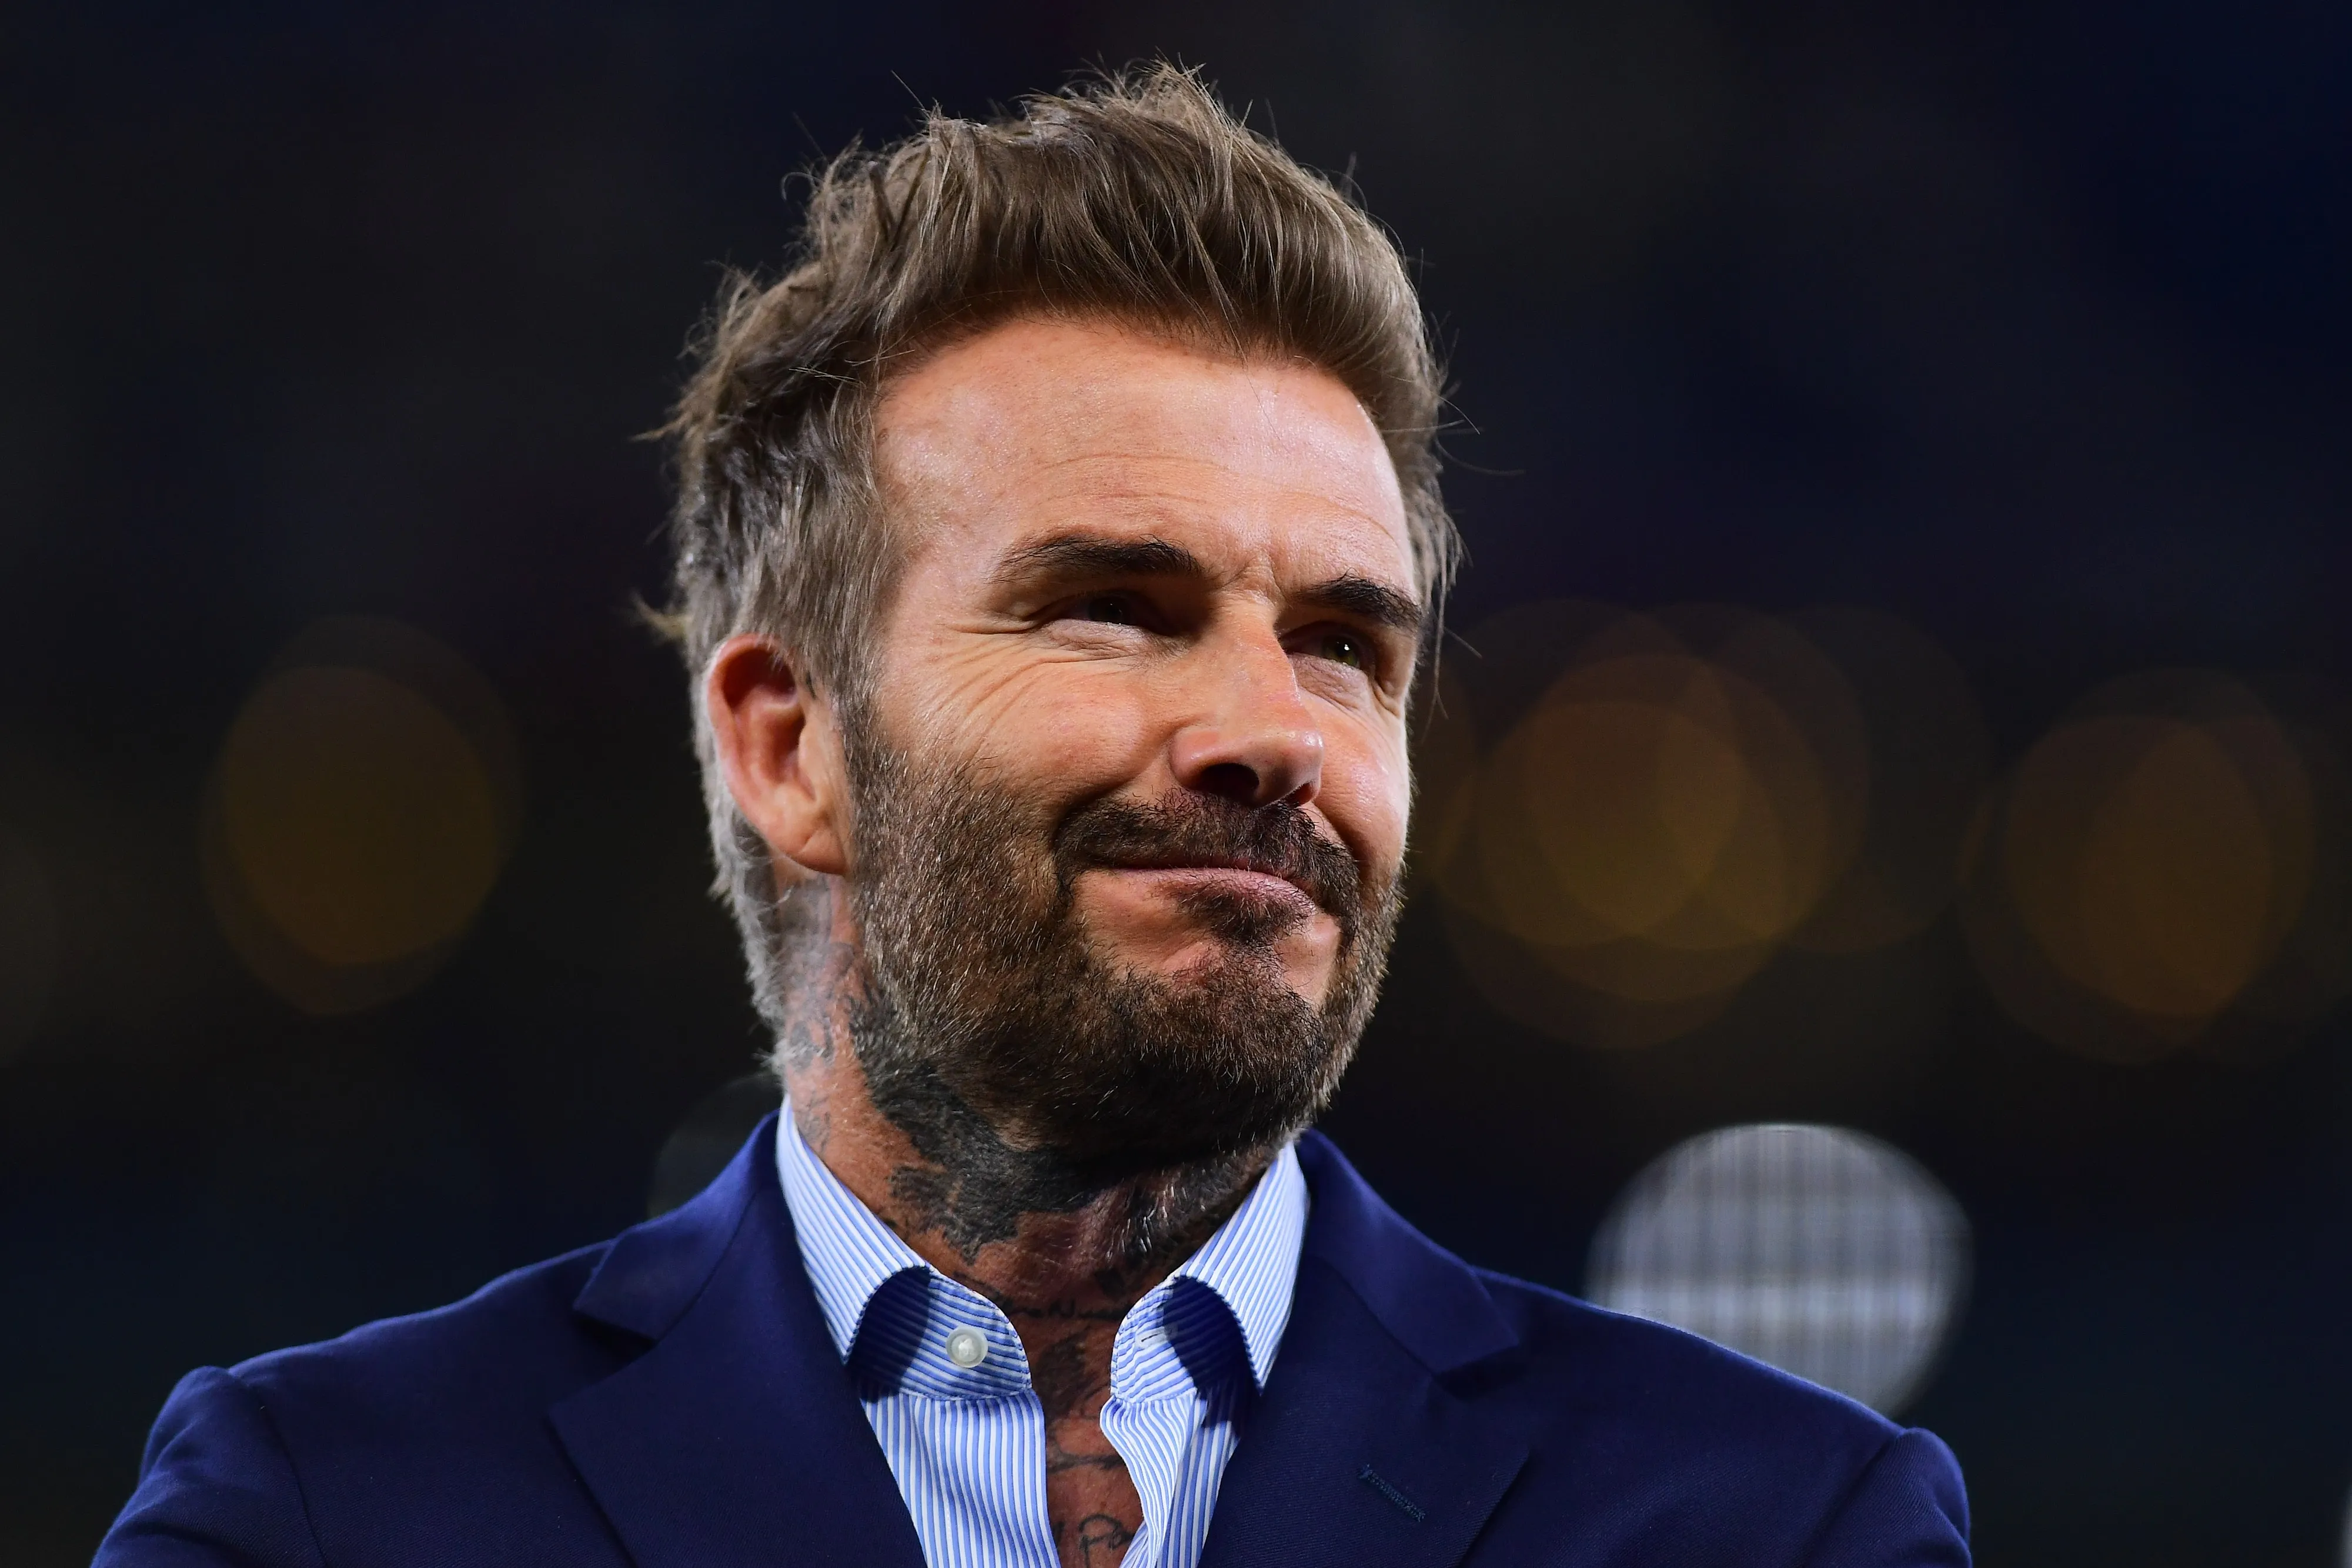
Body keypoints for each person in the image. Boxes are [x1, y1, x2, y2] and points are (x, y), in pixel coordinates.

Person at [96, 66, 1969, 1568]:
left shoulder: (1773, 1523)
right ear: (790, 748)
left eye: (1342, 646)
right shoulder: (335, 1508)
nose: (1272, 733)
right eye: (1115, 610)